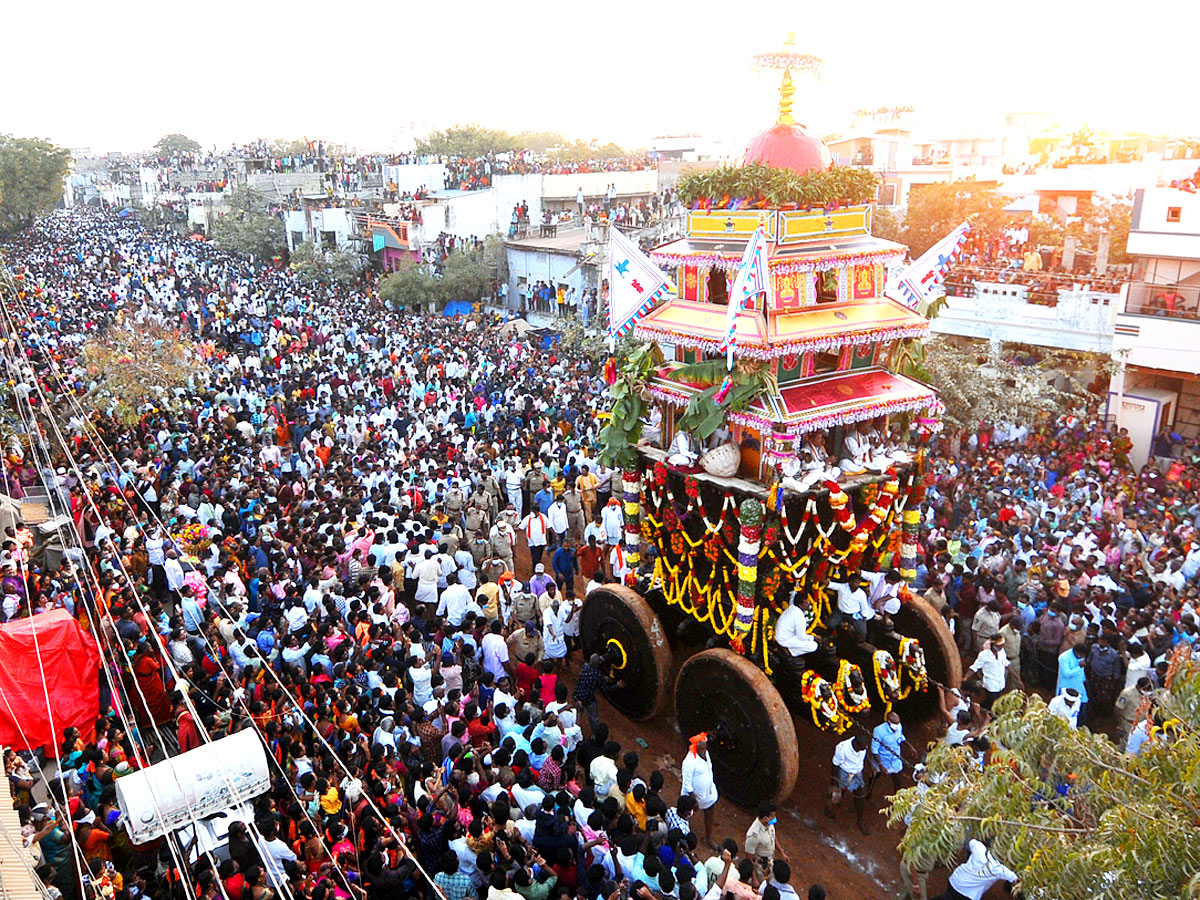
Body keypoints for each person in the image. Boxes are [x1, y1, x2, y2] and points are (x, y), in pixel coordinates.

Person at [930, 839, 1018, 900]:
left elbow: (972, 842)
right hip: (966, 894)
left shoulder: (979, 848)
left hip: (955, 880)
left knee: (945, 897)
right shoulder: (1001, 870)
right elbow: (1016, 880)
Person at [825, 733, 872, 834]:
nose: (865, 748)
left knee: (859, 796)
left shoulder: (862, 747)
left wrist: (870, 765)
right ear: (856, 745)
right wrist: (834, 783)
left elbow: (865, 755)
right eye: (863, 747)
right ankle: (830, 809)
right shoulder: (842, 748)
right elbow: (835, 765)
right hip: (844, 773)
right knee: (837, 794)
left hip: (857, 773)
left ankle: (860, 820)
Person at [680, 732, 718, 848]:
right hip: (693, 798)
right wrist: (694, 801)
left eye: (704, 747)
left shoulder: (706, 754)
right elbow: (687, 785)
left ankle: (708, 838)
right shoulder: (689, 762)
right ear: (695, 747)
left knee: (710, 812)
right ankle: (680, 837)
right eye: (701, 748)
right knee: (684, 815)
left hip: (708, 793)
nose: (703, 750)